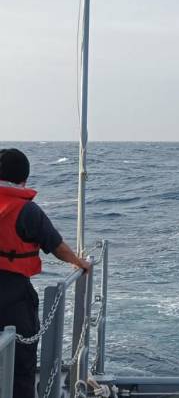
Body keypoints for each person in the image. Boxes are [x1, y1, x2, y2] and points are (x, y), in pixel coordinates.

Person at [0, 148, 90, 398]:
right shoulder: (27, 211)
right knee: (20, 362)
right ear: (24, 179)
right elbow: (55, 246)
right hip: (13, 297)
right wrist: (79, 262)